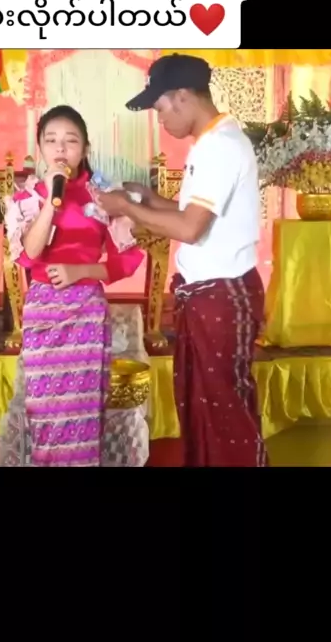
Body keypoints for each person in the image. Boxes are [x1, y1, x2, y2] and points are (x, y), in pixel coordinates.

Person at [96, 54, 267, 468]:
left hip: (221, 296)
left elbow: (190, 229)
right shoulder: (211, 143)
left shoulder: (220, 147)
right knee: (205, 408)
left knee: (225, 412)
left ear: (183, 96)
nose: (160, 121)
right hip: (208, 295)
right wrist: (149, 199)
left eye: (160, 109)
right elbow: (197, 214)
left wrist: (128, 208)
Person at [0, 105, 144, 467]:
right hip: (43, 312)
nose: (60, 148)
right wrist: (51, 200)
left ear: (85, 148)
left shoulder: (103, 197)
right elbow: (29, 254)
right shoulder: (28, 199)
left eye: (70, 141)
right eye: (51, 140)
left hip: (87, 313)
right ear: (40, 148)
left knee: (83, 410)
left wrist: (81, 271)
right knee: (44, 407)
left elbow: (125, 261)